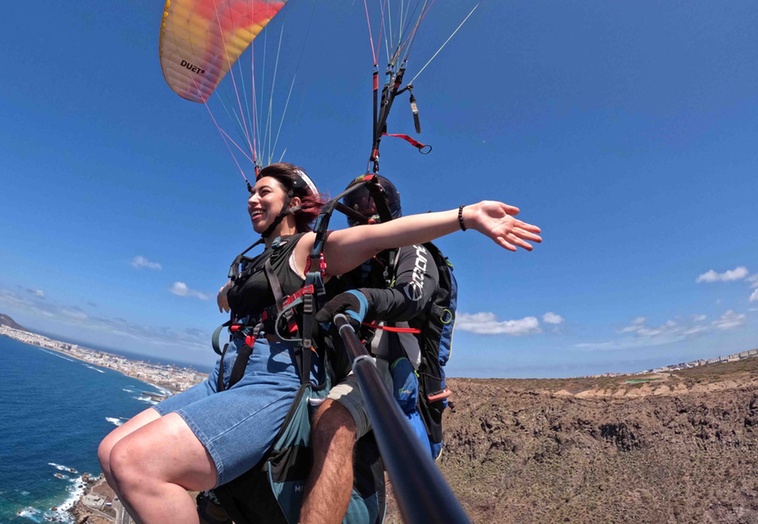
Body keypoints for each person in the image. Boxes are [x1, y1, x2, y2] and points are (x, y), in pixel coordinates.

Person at [98, 162, 541, 523]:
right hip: (229, 371)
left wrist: (466, 216)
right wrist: (230, 291)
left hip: (314, 374)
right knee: (110, 450)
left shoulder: (318, 246)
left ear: (291, 202)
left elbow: (390, 245)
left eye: (264, 191)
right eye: (251, 191)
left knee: (139, 463)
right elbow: (263, 290)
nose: (253, 198)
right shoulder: (258, 259)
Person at [300, 175, 440, 524]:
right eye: (357, 205)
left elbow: (412, 296)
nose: (363, 211)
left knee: (333, 419)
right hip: (341, 359)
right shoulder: (354, 260)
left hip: (388, 364)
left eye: (370, 203)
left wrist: (365, 298)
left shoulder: (413, 249)